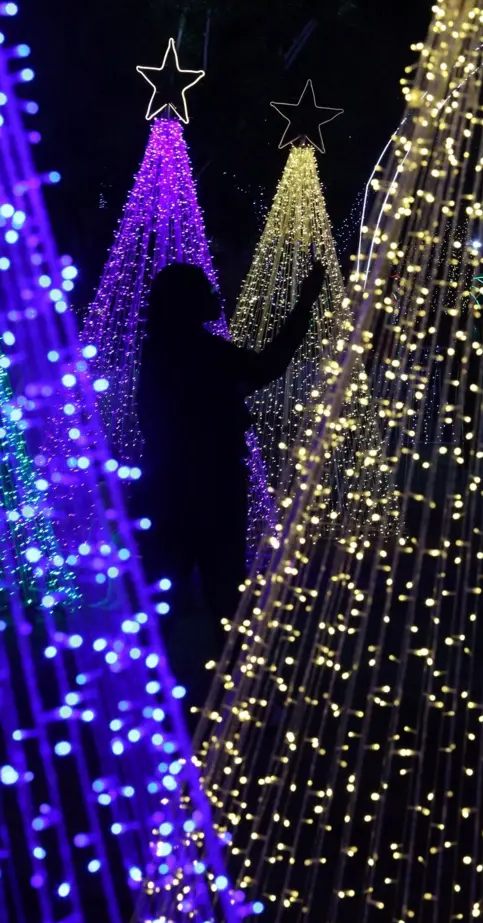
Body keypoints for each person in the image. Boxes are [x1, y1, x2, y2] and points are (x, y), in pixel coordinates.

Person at [136, 260, 326, 689]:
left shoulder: (162, 351)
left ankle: (156, 688)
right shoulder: (202, 352)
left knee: (167, 589)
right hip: (212, 486)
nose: (214, 294)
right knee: (223, 590)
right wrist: (305, 302)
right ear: (189, 301)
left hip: (167, 485)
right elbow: (266, 366)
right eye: (204, 288)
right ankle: (233, 688)